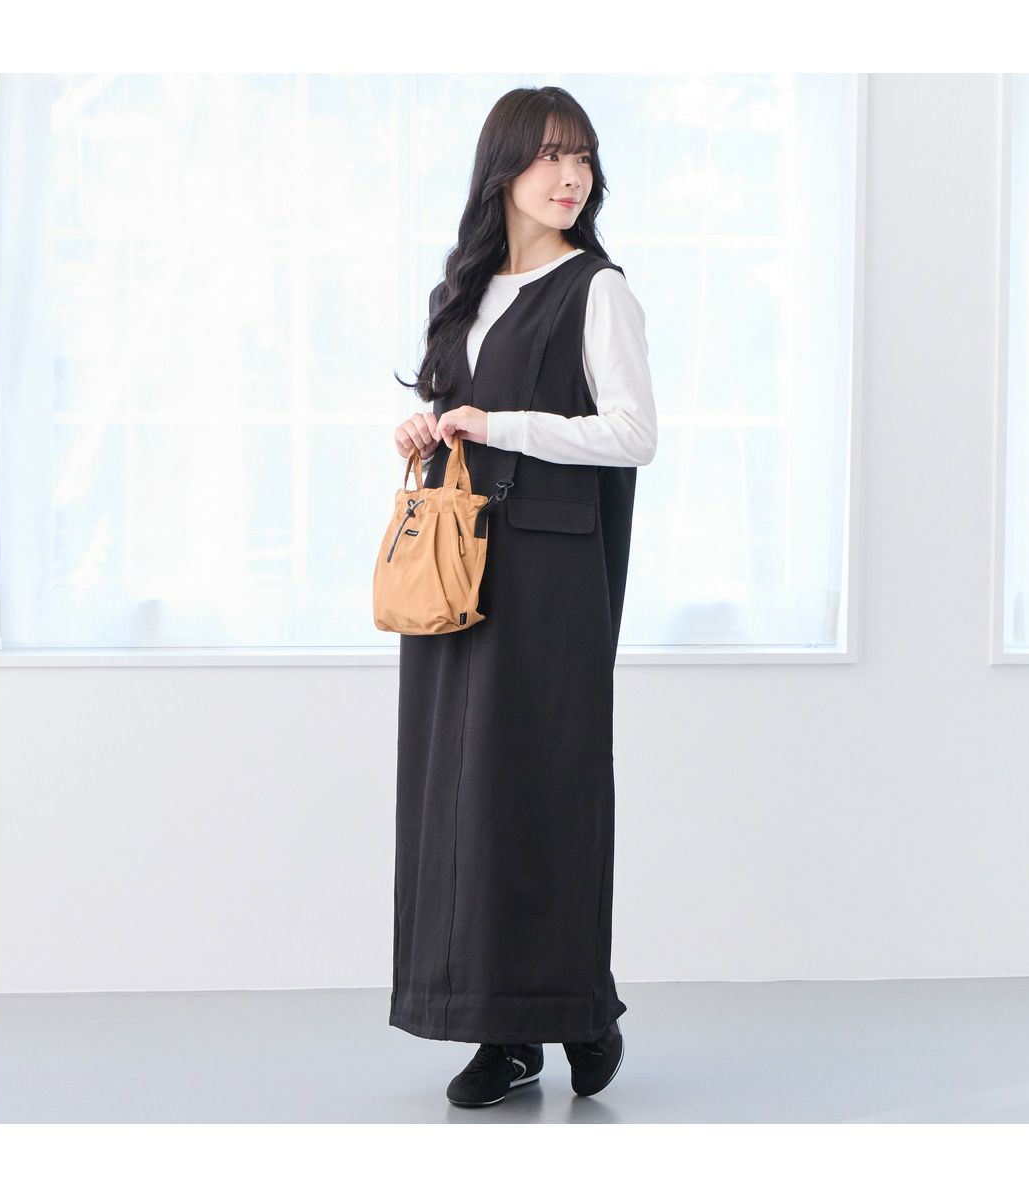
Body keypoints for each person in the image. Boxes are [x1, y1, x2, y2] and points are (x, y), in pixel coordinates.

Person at [389, 85, 657, 1108]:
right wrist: (427, 426)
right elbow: (455, 414)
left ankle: (575, 1008)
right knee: (461, 797)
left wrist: (498, 424)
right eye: (549, 156)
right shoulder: (464, 292)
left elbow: (632, 434)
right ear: (503, 169)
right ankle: (501, 1029)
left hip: (550, 577)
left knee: (545, 787)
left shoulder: (598, 290)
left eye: (582, 157)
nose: (570, 176)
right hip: (456, 567)